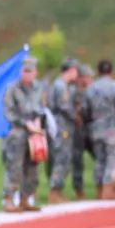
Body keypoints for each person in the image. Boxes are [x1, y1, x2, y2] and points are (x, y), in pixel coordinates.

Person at [85, 59, 115, 200]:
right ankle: (109, 190)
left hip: (95, 130)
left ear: (98, 71)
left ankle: (99, 190)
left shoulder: (91, 88)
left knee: (100, 160)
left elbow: (85, 110)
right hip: (112, 130)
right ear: (111, 72)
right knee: (113, 160)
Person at [1, 56, 44, 212]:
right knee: (15, 167)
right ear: (21, 71)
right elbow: (8, 112)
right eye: (25, 71)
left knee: (33, 168)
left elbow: (41, 107)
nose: (27, 74)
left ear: (35, 72)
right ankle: (9, 200)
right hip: (18, 132)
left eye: (30, 71)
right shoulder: (12, 88)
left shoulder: (39, 88)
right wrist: (25, 123)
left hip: (35, 134)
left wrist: (38, 121)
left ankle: (26, 199)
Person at [46, 58, 79, 203]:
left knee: (63, 159)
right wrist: (77, 116)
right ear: (70, 70)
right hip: (61, 127)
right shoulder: (61, 86)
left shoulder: (62, 85)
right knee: (61, 158)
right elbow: (64, 107)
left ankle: (57, 190)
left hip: (63, 126)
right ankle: (54, 191)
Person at [71, 63, 95, 200]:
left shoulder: (92, 91)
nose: (90, 80)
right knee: (77, 160)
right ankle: (79, 188)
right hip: (78, 130)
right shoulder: (73, 92)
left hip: (91, 128)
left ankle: (103, 185)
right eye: (87, 77)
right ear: (80, 78)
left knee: (100, 156)